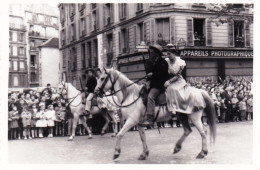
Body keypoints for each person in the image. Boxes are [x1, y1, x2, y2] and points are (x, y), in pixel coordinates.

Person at [163, 49, 206, 116]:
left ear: (174, 54)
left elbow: (178, 74)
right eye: (167, 54)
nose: (168, 56)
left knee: (172, 89)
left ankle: (174, 107)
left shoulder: (180, 62)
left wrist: (169, 81)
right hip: (169, 78)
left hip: (178, 80)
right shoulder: (167, 61)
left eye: (169, 54)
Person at [140, 45, 169, 126]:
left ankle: (150, 119)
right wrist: (146, 80)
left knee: (150, 97)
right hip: (153, 84)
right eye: (150, 52)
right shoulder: (153, 62)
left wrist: (151, 75)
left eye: (152, 52)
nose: (150, 54)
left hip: (159, 85)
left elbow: (161, 76)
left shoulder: (163, 62)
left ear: (157, 53)